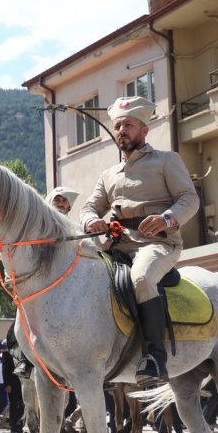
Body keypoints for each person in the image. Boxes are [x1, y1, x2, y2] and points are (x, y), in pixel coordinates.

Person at [81, 96, 199, 381]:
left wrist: (166, 219)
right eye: (118, 125)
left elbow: (189, 198)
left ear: (144, 130)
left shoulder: (166, 160)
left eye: (128, 125)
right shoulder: (108, 174)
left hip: (158, 244)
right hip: (116, 244)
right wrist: (90, 221)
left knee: (142, 278)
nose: (121, 130)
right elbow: (88, 207)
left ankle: (155, 357)